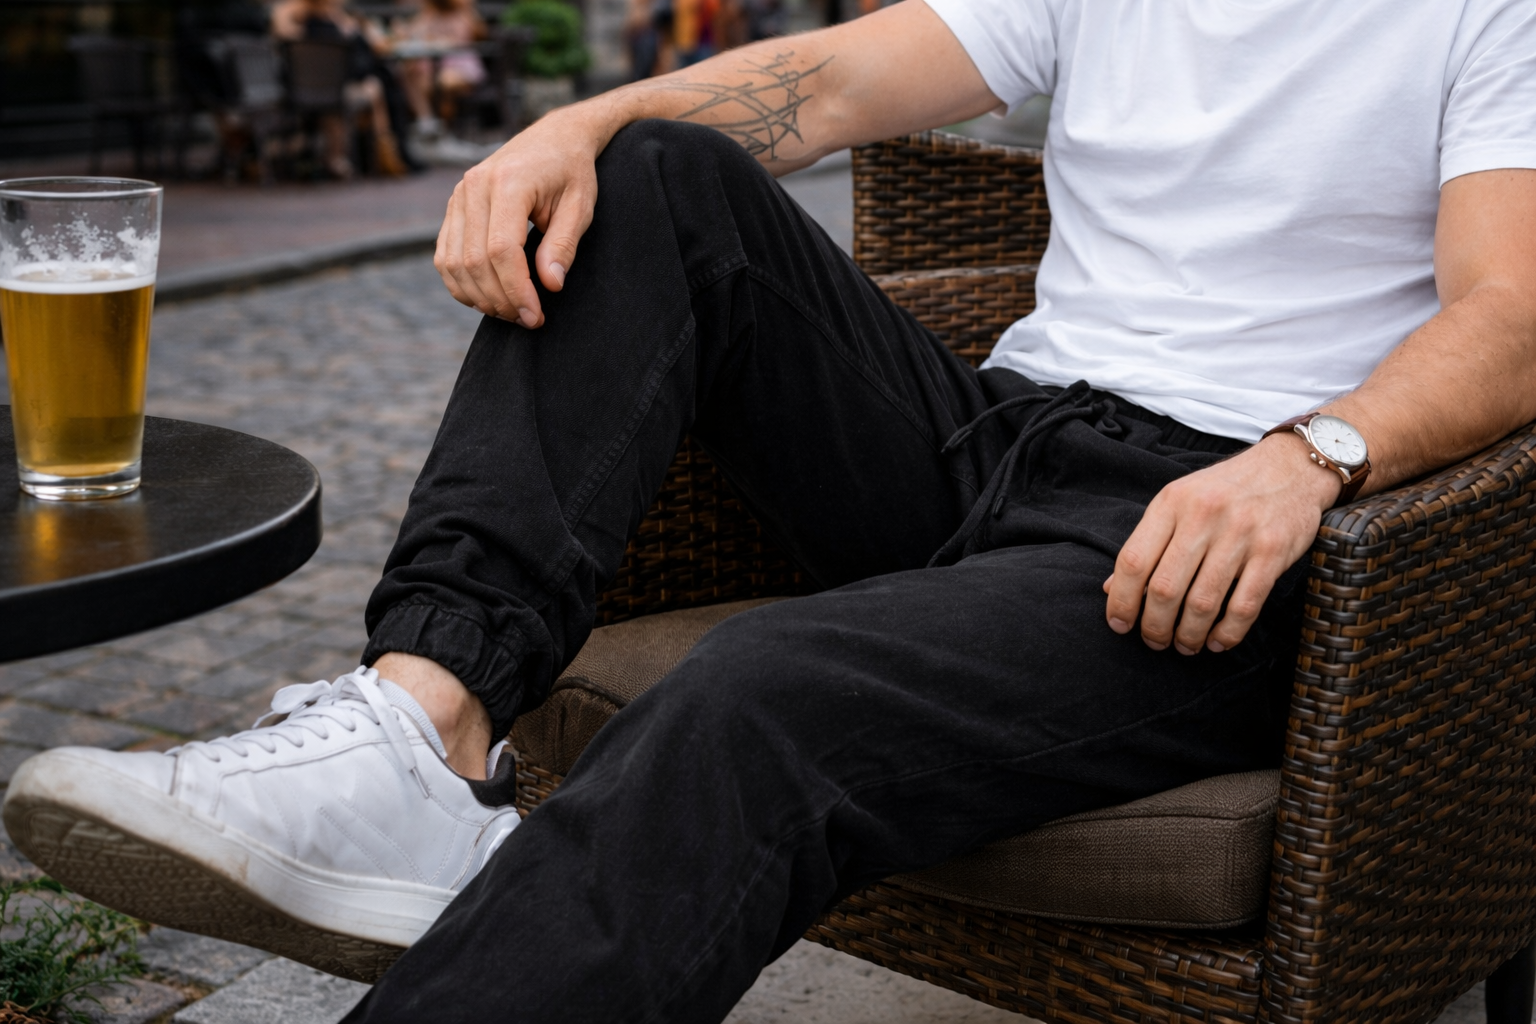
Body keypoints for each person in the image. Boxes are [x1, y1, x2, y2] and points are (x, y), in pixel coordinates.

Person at [7, 1, 1536, 1021]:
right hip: (997, 438)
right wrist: (577, 124)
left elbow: (1515, 310)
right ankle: (424, 722)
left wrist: (1312, 453)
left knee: (763, 696)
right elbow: (844, 82)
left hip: (1215, 529)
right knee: (660, 173)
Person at [271, 0, 422, 176]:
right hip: (326, 89)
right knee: (378, 85)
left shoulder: (334, 16)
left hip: (318, 88)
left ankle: (381, 152)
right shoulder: (296, 15)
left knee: (382, 83)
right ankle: (381, 152)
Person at [396, 0, 487, 136]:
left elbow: (473, 35)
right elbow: (413, 33)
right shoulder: (429, 12)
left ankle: (443, 129)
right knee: (408, 72)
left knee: (443, 80)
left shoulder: (463, 12)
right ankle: (428, 123)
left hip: (461, 65)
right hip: (434, 66)